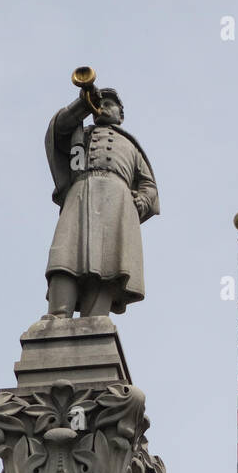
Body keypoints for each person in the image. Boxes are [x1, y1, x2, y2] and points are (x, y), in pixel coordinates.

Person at [44, 86, 160, 317]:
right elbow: (57, 131)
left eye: (110, 103)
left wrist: (142, 201)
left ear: (121, 115)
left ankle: (95, 318)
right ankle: (58, 314)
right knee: (66, 253)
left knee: (107, 262)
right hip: (80, 192)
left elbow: (149, 186)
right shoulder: (80, 133)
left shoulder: (131, 146)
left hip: (117, 202)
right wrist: (83, 105)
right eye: (100, 102)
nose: (103, 106)